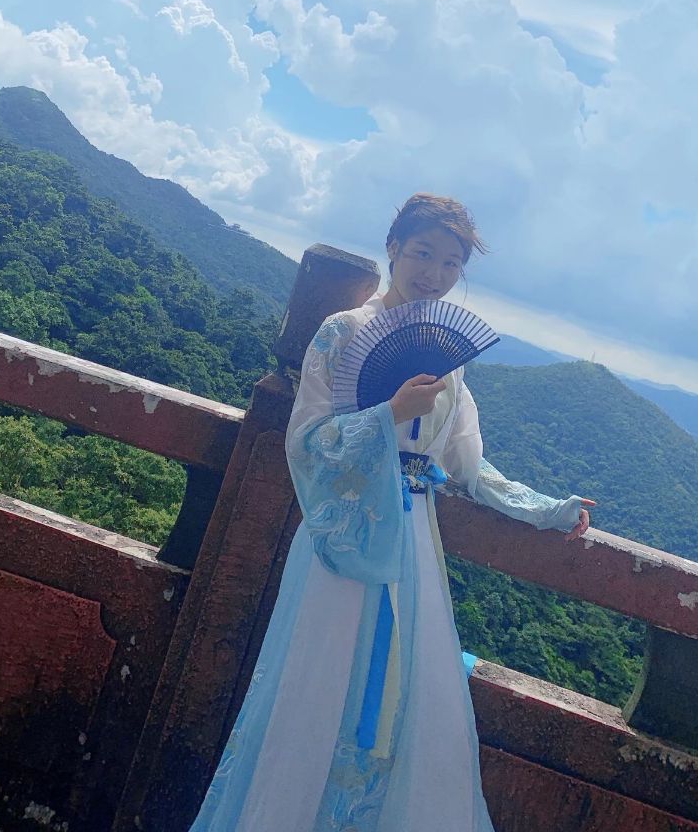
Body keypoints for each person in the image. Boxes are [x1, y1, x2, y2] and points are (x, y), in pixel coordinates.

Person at [191, 193, 594, 832]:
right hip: (346, 537)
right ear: (393, 249)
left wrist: (546, 510)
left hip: (414, 545)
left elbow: (467, 465)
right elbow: (308, 441)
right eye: (422, 254)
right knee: (319, 687)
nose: (434, 273)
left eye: (450, 263)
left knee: (410, 703)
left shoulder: (448, 360)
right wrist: (389, 415)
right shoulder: (343, 332)